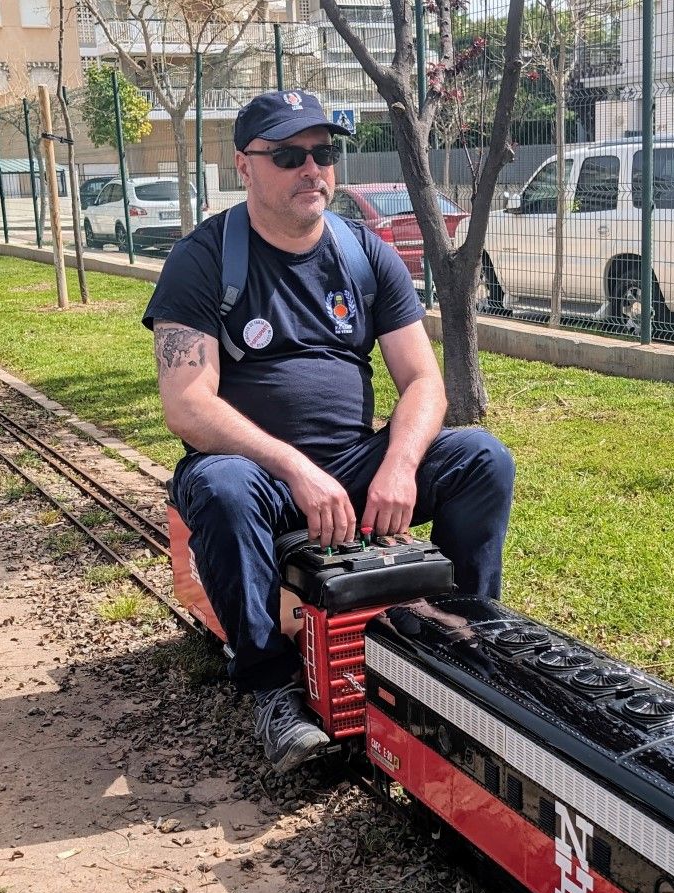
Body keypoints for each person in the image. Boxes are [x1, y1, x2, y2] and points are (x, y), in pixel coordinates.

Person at [142, 90, 515, 773]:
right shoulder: (203, 260)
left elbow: (425, 381)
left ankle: (462, 636)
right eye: (289, 156)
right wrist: (293, 467)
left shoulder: (362, 254)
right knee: (221, 487)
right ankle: (271, 686)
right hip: (258, 477)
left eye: (323, 153)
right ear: (245, 168)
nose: (312, 170)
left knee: (480, 458)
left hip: (355, 463)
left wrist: (399, 465)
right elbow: (187, 405)